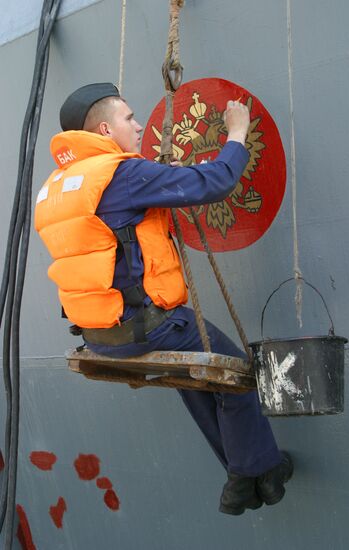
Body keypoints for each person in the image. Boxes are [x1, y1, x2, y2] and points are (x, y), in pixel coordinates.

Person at [35, 83, 292, 515]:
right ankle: (255, 472)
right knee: (237, 375)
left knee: (195, 379)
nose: (138, 126)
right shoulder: (122, 174)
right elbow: (215, 181)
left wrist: (160, 177)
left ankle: (247, 480)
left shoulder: (63, 186)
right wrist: (236, 133)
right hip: (147, 325)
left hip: (100, 335)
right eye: (129, 118)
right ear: (103, 129)